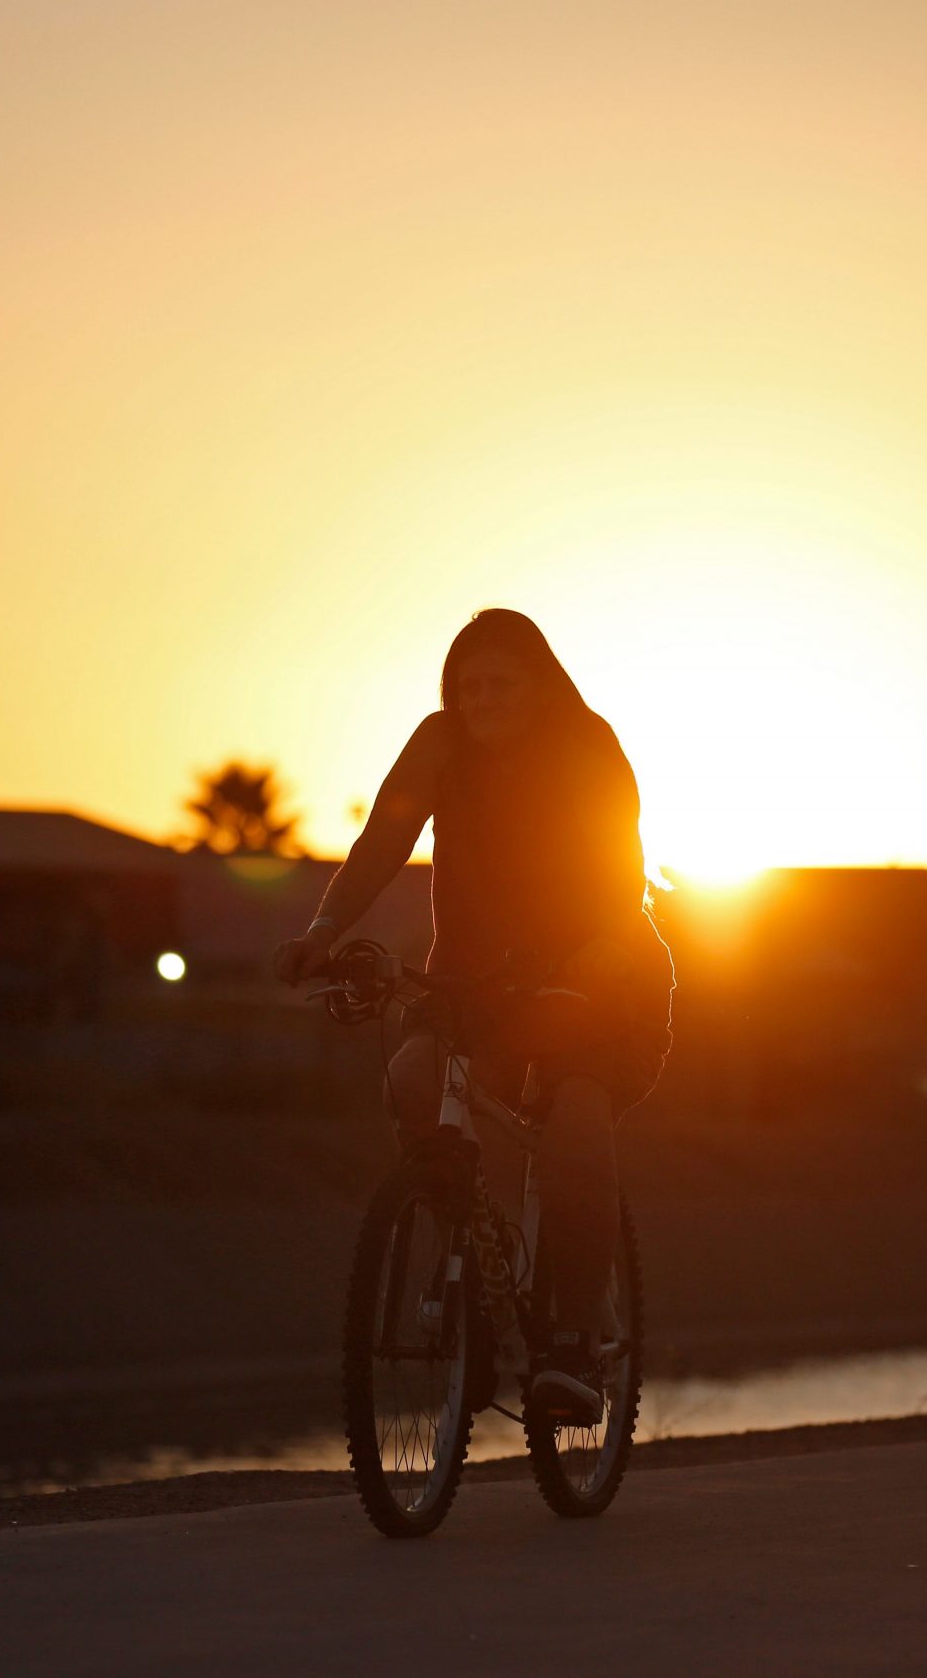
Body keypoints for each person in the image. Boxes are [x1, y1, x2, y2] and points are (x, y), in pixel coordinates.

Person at [274, 609, 673, 1423]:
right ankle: (482, 1259)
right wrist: (324, 930)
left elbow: (617, 882)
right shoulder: (439, 742)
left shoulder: (586, 746)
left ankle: (572, 1336)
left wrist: (581, 975)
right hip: (480, 985)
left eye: (504, 682)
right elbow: (382, 839)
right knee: (414, 1078)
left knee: (574, 1117)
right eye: (469, 683)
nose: (483, 697)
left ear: (543, 685)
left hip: (602, 977)